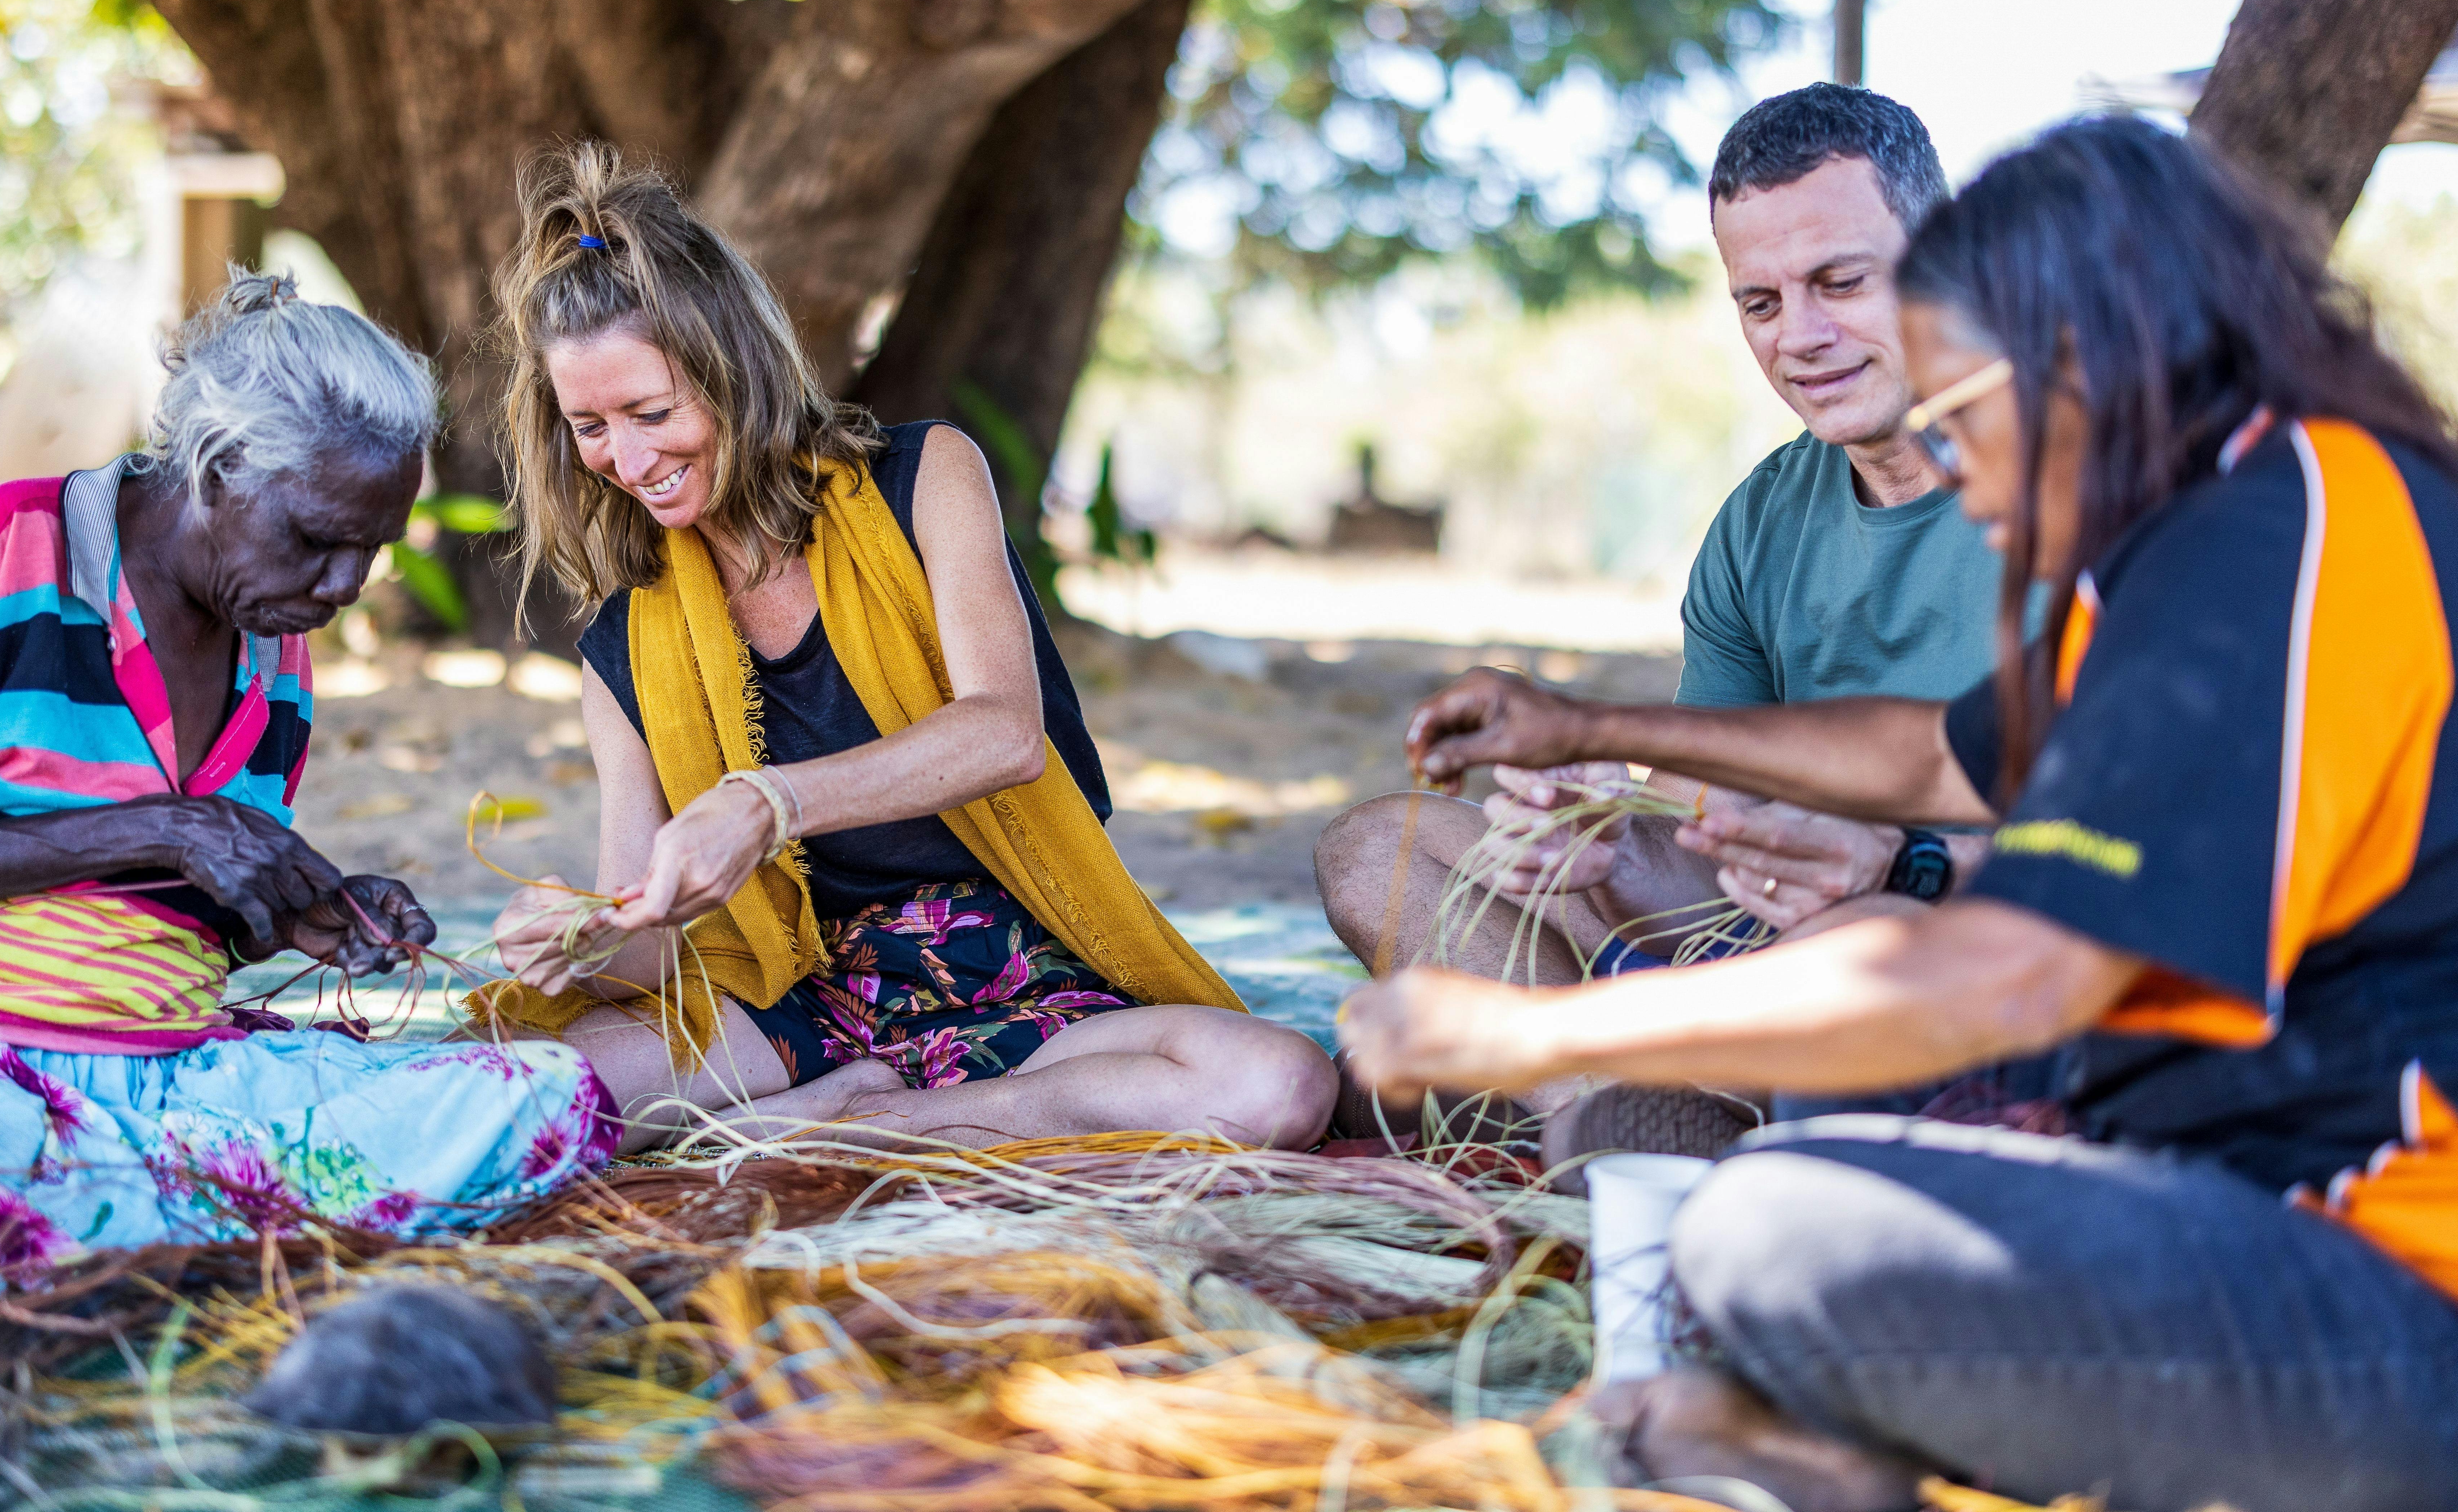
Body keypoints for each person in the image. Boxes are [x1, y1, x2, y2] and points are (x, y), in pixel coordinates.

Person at [1341, 116, 2458, 1512]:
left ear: (2082, 358)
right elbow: (1937, 754)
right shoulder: (2202, 533)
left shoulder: (2284, 534)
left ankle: (1850, 1443)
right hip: (2245, 1204)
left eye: (1959, 417)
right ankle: (1835, 1436)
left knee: (1770, 1230)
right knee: (1817, 1191)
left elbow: (2013, 969)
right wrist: (1589, 727)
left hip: (2395, 1290)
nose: (1957, 474)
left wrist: (1540, 1031)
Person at [0, 274, 621, 1313]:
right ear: (220, 468)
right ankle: (178, 1233)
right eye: (318, 537)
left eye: (371, 548)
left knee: (536, 1103)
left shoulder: (277, 650)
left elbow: (186, 919)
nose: (343, 583)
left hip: (159, 1081)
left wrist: (307, 915)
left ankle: (83, 1240)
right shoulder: (12, 548)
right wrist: (165, 824)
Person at [476, 144, 1334, 1152]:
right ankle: (861, 1109)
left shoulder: (927, 478)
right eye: (590, 427)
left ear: (735, 370)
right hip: (803, 1004)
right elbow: (654, 940)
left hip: (1015, 975)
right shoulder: (625, 643)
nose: (627, 460)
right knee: (537, 1096)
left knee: (1278, 1084)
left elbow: (1004, 735)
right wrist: (582, 942)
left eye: (652, 413)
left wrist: (769, 801)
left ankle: (883, 1122)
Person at [1317, 85, 2001, 1146]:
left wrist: (1899, 858)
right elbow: (1692, 840)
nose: (1802, 338)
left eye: (1841, 282)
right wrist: (1594, 831)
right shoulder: (1764, 518)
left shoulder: (2085, 487)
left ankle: (1633, 1106)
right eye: (1761, 303)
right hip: (1756, 949)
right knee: (1380, 846)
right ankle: (1603, 1113)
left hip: (1952, 944)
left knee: (1863, 945)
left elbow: (2151, 852)